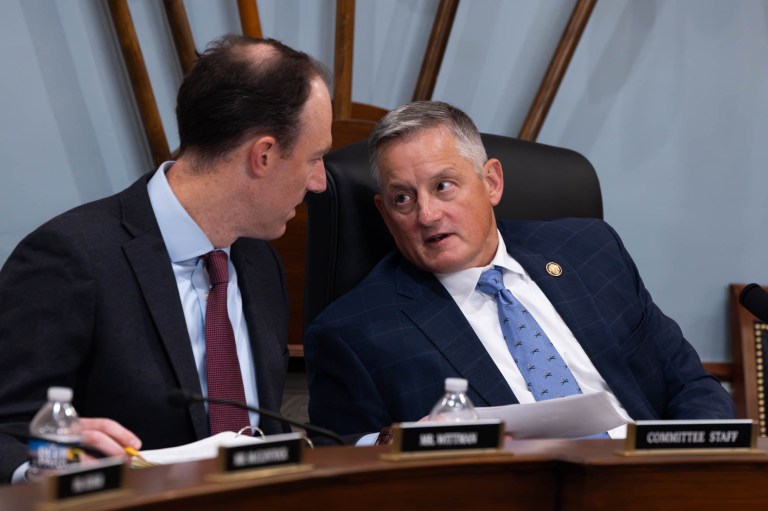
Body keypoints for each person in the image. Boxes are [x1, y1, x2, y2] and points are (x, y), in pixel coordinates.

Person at [0, 35, 332, 482]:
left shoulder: (261, 264)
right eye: (316, 158)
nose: (320, 183)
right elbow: (8, 428)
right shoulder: (72, 256)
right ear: (264, 155)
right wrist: (43, 466)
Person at [304, 100, 735, 441]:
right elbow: (343, 464)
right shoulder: (355, 333)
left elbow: (690, 384)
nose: (427, 214)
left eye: (443, 186)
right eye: (403, 198)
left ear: (491, 182)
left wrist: (686, 464)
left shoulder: (591, 251)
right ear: (384, 212)